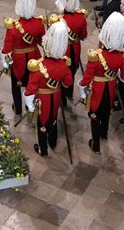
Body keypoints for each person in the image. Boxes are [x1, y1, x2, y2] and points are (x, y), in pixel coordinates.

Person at [79, 12, 124, 153]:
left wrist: (82, 89)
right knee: (107, 112)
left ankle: (95, 144)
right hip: (111, 87)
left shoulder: (95, 56)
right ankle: (104, 134)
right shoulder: (123, 56)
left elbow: (87, 79)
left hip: (97, 89)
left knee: (94, 115)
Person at [24, 21, 73, 157]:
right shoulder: (64, 65)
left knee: (42, 123)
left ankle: (43, 149)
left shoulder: (39, 66)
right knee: (53, 117)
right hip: (56, 96)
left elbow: (30, 89)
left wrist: (29, 105)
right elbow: (68, 83)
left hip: (42, 99)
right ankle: (53, 141)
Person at [1, 0, 46, 115]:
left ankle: (18, 109)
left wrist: (5, 62)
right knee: (32, 84)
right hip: (34, 56)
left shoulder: (13, 27)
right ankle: (30, 106)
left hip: (18, 61)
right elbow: (40, 41)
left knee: (16, 86)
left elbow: (6, 48)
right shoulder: (38, 23)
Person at [50, 0, 88, 101]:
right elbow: (83, 36)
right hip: (75, 49)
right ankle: (69, 93)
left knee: (62, 73)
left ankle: (63, 99)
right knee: (71, 72)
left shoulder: (58, 20)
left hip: (63, 49)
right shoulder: (81, 17)